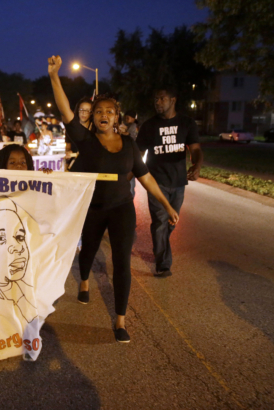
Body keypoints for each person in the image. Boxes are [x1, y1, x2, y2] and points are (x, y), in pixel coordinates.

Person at [49, 55, 179, 343]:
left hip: (122, 209)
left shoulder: (130, 145)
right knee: (88, 251)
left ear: (117, 116)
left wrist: (167, 204)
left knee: (121, 262)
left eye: (109, 111)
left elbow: (146, 178)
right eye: (98, 112)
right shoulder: (86, 141)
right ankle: (83, 282)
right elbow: (65, 111)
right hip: (93, 208)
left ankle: (120, 319)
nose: (104, 114)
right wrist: (55, 77)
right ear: (93, 118)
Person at [136, 87, 203, 277]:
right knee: (159, 221)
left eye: (162, 99)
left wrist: (197, 165)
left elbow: (195, 149)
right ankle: (163, 264)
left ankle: (162, 249)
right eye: (156, 99)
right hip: (156, 182)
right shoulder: (149, 126)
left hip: (179, 182)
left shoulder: (187, 123)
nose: (157, 102)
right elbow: (139, 153)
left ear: (173, 100)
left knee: (171, 222)